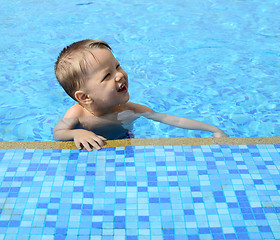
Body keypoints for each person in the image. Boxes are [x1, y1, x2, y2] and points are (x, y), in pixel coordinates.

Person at [53, 39, 228, 151]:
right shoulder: (77, 114)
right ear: (84, 97)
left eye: (117, 66)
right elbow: (58, 133)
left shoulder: (130, 110)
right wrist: (77, 134)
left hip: (124, 143)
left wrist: (213, 129)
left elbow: (173, 120)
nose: (120, 75)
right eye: (107, 76)